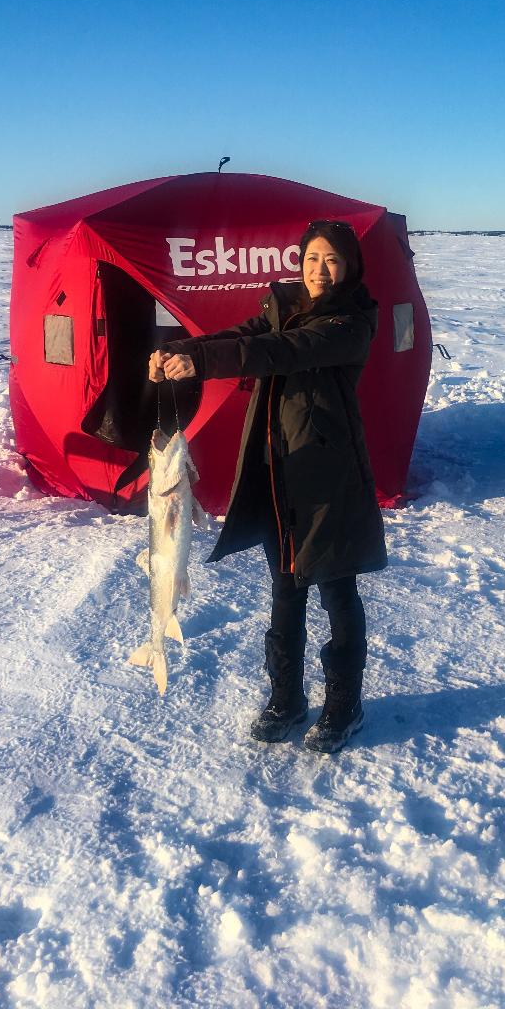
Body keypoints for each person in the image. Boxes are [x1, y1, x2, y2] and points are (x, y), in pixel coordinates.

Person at [148, 220, 387, 753]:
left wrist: (203, 362)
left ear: (350, 267)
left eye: (332, 260)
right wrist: (183, 350)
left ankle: (344, 706)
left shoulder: (351, 322)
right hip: (279, 466)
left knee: (336, 590)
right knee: (285, 589)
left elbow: (284, 351)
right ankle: (286, 698)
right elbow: (246, 338)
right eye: (311, 259)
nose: (320, 271)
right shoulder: (282, 308)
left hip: (329, 477)